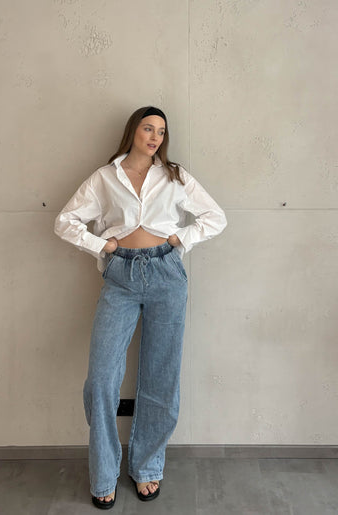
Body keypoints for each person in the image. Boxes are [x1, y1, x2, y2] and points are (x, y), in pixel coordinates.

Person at [54, 106, 227, 509]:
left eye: (161, 132)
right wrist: (103, 245)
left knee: (160, 376)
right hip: (120, 277)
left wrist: (177, 242)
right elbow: (65, 221)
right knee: (101, 379)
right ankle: (103, 472)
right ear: (132, 130)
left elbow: (214, 217)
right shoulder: (104, 178)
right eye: (148, 128)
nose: (154, 137)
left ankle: (148, 467)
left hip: (167, 275)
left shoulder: (174, 176)